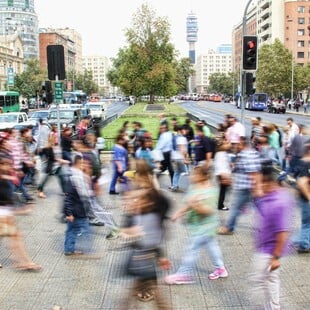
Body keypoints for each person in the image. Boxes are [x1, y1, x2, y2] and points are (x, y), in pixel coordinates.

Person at [120, 159, 172, 309]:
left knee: (143, 277)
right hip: (143, 242)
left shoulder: (152, 194)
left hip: (147, 241)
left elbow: (161, 210)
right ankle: (147, 291)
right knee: (141, 278)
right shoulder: (138, 186)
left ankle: (148, 291)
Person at [165, 165, 228, 284]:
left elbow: (209, 211)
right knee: (212, 246)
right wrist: (178, 213)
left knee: (191, 249)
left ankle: (184, 274)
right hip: (202, 226)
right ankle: (220, 268)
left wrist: (196, 205)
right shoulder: (194, 187)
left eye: (194, 174)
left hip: (204, 227)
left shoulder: (209, 191)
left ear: (202, 177)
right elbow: (188, 204)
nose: (191, 176)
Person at [250, 164, 294, 309]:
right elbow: (258, 199)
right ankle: (274, 307)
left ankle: (269, 306)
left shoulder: (278, 203)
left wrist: (276, 257)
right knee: (271, 280)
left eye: (261, 182)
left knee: (258, 281)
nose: (259, 186)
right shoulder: (273, 196)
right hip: (266, 248)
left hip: (269, 251)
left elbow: (283, 232)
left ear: (269, 183)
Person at [0, 156, 41, 271]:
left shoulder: (6, 179)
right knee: (15, 239)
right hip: (2, 216)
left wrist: (21, 208)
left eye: (8, 164)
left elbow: (10, 198)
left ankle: (25, 262)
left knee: (16, 238)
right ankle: (25, 262)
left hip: (6, 215)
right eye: (4, 164)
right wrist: (21, 210)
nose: (7, 167)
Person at [218, 136, 261, 235]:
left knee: (235, 208)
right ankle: (270, 227)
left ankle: (229, 228)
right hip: (247, 187)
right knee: (259, 208)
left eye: (238, 144)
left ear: (242, 144)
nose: (236, 146)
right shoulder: (251, 153)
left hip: (245, 188)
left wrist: (256, 189)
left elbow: (253, 173)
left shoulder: (247, 155)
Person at [63, 155, 93, 256]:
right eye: (82, 163)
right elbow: (68, 198)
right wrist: (69, 213)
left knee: (71, 230)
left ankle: (69, 249)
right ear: (78, 163)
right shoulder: (74, 179)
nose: (83, 165)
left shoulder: (79, 177)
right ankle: (84, 248)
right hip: (77, 211)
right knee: (85, 230)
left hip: (77, 210)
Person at [294, 143, 310, 254]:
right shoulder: (307, 164)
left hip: (304, 199)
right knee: (307, 223)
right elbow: (302, 182)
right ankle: (303, 245)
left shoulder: (302, 162)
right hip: (306, 200)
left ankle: (303, 242)